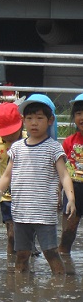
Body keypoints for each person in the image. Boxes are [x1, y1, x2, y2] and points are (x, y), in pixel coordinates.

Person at [0, 95, 75, 274]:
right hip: (21, 212)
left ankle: (60, 287)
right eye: (29, 118)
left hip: (44, 212)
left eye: (40, 118)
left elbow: (64, 175)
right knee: (22, 254)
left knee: (50, 252)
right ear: (23, 121)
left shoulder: (53, 147)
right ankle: (20, 289)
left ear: (50, 121)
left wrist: (70, 198)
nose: (34, 123)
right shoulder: (17, 148)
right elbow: (7, 175)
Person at [0, 102, 25, 254]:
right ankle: (11, 267)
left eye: (11, 132)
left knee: (25, 233)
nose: (8, 136)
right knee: (11, 234)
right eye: (4, 134)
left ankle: (24, 261)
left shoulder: (28, 140)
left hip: (25, 195)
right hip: (7, 196)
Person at [59, 93, 83, 255]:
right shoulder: (69, 141)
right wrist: (57, 191)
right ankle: (64, 258)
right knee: (68, 229)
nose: (82, 117)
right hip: (73, 188)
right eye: (78, 113)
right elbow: (62, 170)